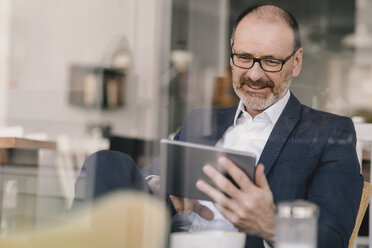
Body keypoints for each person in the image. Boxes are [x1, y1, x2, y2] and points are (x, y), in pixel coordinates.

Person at [73, 4, 363, 248]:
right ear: (231, 54)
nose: (254, 74)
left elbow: (333, 237)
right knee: (106, 163)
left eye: (271, 61)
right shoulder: (203, 120)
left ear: (296, 62)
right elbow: (154, 176)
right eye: (244, 57)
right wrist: (159, 185)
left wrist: (270, 224)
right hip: (168, 239)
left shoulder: (329, 132)